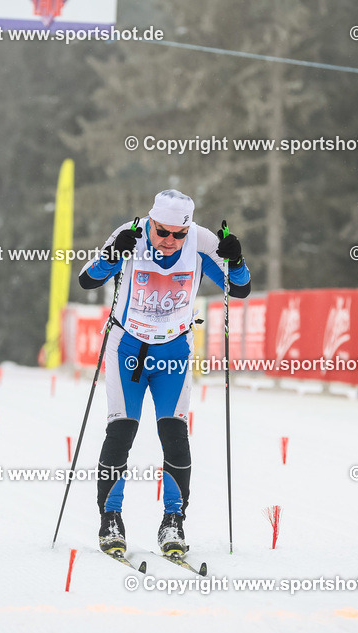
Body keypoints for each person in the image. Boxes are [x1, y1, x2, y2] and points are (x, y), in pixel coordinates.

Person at [78, 190, 251, 556]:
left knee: (174, 432)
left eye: (178, 234)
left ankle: (173, 521)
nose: (170, 241)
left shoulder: (202, 241)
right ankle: (110, 517)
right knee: (121, 431)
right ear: (151, 222)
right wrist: (112, 255)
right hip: (127, 347)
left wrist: (236, 260)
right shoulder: (131, 232)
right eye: (162, 232)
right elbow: (88, 280)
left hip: (173, 351)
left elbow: (239, 289)